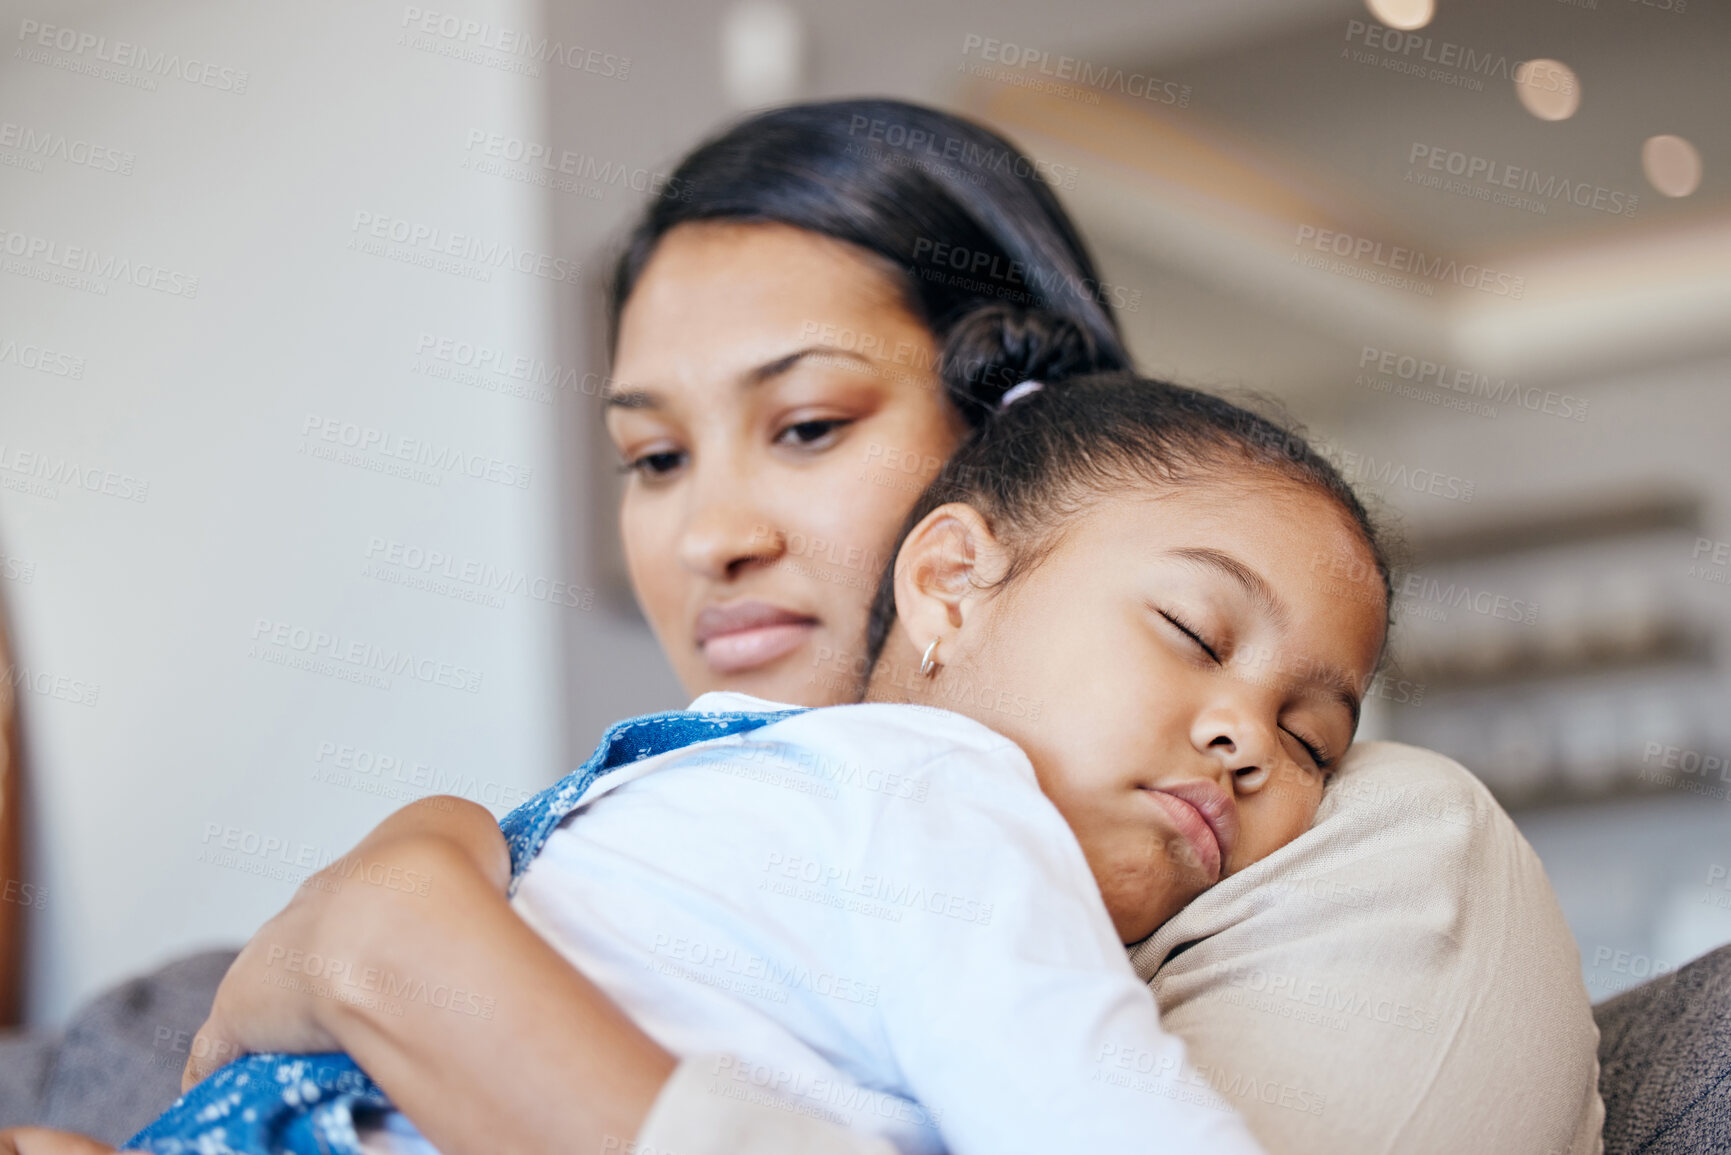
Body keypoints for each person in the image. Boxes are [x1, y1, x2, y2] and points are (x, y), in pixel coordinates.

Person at [0, 99, 1602, 1155]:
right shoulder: (664, 825)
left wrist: (405, 947)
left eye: (811, 424)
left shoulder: (1368, 846)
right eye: (650, 457)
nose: (711, 533)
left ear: (990, 484)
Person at [121, 361, 1390, 1155]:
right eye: (1192, 632)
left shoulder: (734, 787)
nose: (1243, 740)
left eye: (1309, 740)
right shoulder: (945, 801)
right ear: (951, 585)